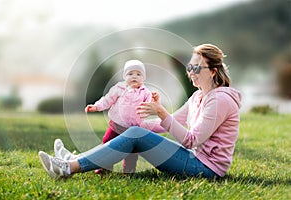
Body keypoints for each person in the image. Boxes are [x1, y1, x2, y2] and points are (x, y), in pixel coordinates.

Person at [39, 44, 241, 179]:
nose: (191, 72)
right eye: (190, 67)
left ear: (213, 71)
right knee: (136, 131)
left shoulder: (220, 101)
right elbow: (169, 123)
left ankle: (69, 167)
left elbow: (191, 140)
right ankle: (74, 160)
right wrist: (140, 123)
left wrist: (160, 112)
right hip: (193, 157)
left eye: (197, 68)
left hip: (206, 169)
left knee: (137, 133)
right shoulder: (197, 97)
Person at [55, 59, 152, 174]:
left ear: (143, 77)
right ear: (125, 76)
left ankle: (129, 171)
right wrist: (96, 107)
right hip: (116, 125)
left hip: (133, 128)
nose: (134, 77)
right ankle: (104, 168)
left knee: (132, 153)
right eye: (130, 74)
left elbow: (149, 106)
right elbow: (107, 100)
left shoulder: (145, 92)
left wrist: (152, 103)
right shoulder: (120, 88)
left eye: (138, 74)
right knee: (107, 145)